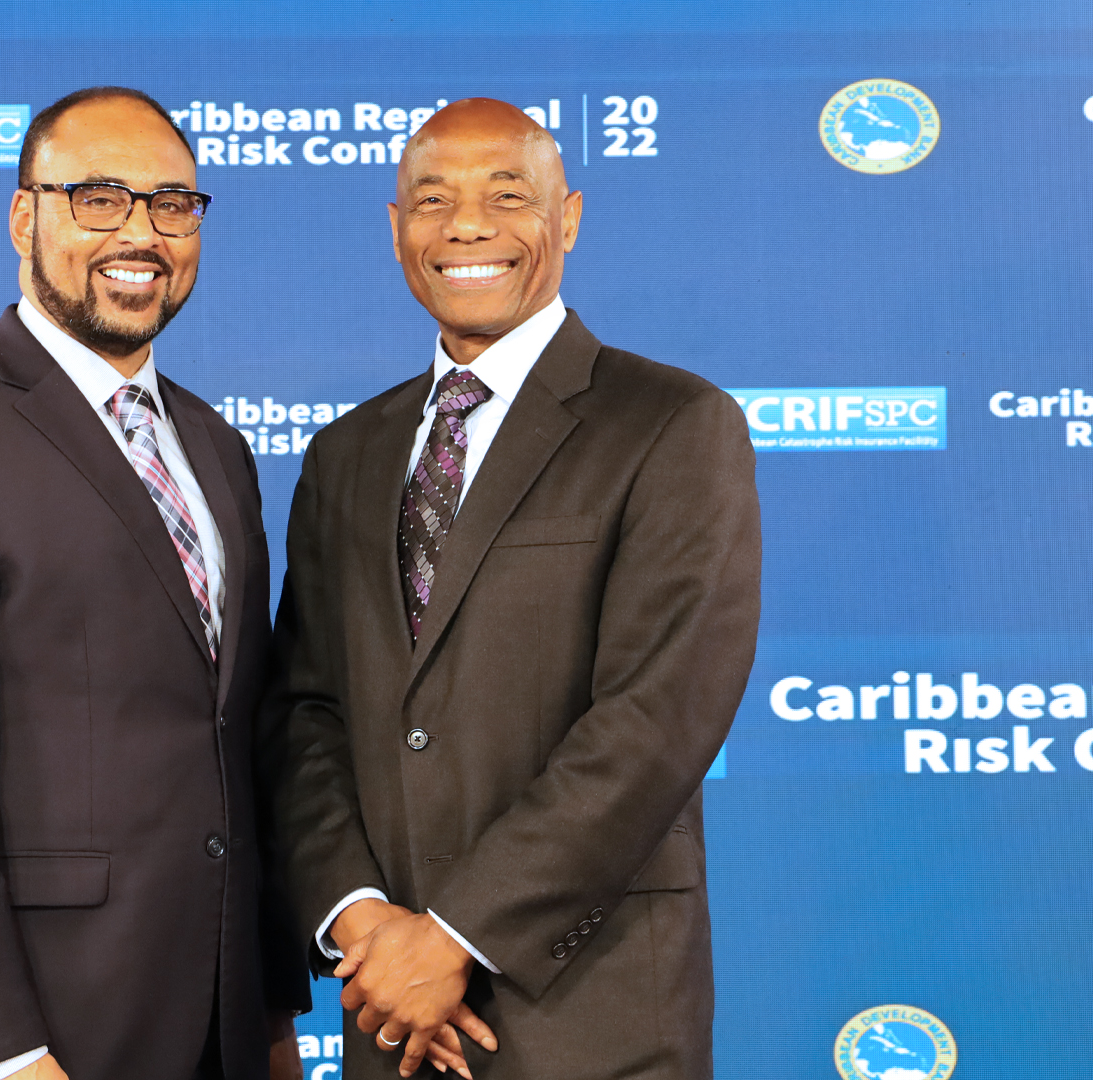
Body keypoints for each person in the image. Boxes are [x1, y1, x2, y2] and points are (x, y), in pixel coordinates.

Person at [266, 99, 761, 1079]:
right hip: (392, 1023)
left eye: (507, 196)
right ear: (396, 227)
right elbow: (305, 716)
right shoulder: (345, 454)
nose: (467, 227)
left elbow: (654, 720)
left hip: (593, 1019)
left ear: (567, 218)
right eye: (433, 200)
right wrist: (368, 929)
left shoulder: (671, 424)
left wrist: (454, 934)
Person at [0, 86, 308, 1080]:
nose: (141, 231)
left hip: (214, 1023)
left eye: (173, 204)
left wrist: (268, 1009)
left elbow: (235, 744)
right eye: (99, 198)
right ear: (24, 216)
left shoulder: (215, 448)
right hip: (32, 1031)